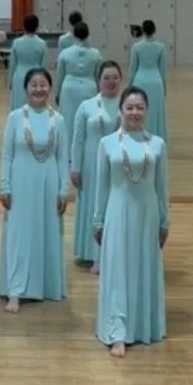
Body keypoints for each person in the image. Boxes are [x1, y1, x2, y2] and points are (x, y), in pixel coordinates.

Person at [93, 87, 169, 357]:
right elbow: (101, 186)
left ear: (147, 111)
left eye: (140, 108)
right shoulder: (107, 143)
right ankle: (118, 331)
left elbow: (162, 187)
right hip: (117, 212)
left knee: (142, 267)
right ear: (120, 110)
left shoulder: (157, 144)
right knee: (118, 270)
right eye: (129, 107)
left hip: (148, 215)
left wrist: (165, 220)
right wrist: (98, 219)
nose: (135, 113)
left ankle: (142, 326)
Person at [0, 68, 70, 313]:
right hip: (20, 183)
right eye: (34, 85)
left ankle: (46, 286)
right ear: (26, 89)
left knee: (47, 231)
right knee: (19, 235)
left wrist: (63, 189)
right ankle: (15, 290)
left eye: (43, 84)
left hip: (49, 182)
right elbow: (7, 155)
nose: (39, 89)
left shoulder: (58, 120)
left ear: (50, 88)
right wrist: (5, 185)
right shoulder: (15, 117)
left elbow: (63, 157)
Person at [70, 60, 122, 270]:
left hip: (119, 164)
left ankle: (114, 254)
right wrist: (75, 167)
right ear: (98, 80)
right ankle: (93, 254)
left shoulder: (127, 104)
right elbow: (78, 139)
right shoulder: (86, 106)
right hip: (91, 165)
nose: (111, 82)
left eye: (115, 78)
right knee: (93, 205)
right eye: (106, 78)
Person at [55, 21, 103, 135]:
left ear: (74, 35)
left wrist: (57, 93)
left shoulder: (65, 53)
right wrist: (100, 93)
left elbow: (60, 76)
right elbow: (99, 76)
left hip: (69, 89)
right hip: (89, 88)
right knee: (88, 120)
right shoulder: (96, 54)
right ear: (88, 35)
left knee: (68, 119)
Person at [129, 19, 167, 141]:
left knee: (140, 109)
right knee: (154, 112)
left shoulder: (136, 47)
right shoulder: (160, 47)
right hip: (156, 82)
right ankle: (155, 137)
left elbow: (133, 68)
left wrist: (129, 86)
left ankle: (138, 134)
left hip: (140, 81)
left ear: (143, 31)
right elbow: (162, 70)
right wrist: (165, 88)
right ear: (154, 31)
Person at [8, 13, 48, 111]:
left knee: (19, 106)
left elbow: (12, 64)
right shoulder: (42, 44)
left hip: (19, 76)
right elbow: (44, 66)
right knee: (35, 105)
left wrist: (10, 81)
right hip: (36, 77)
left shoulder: (16, 42)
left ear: (24, 26)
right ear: (37, 27)